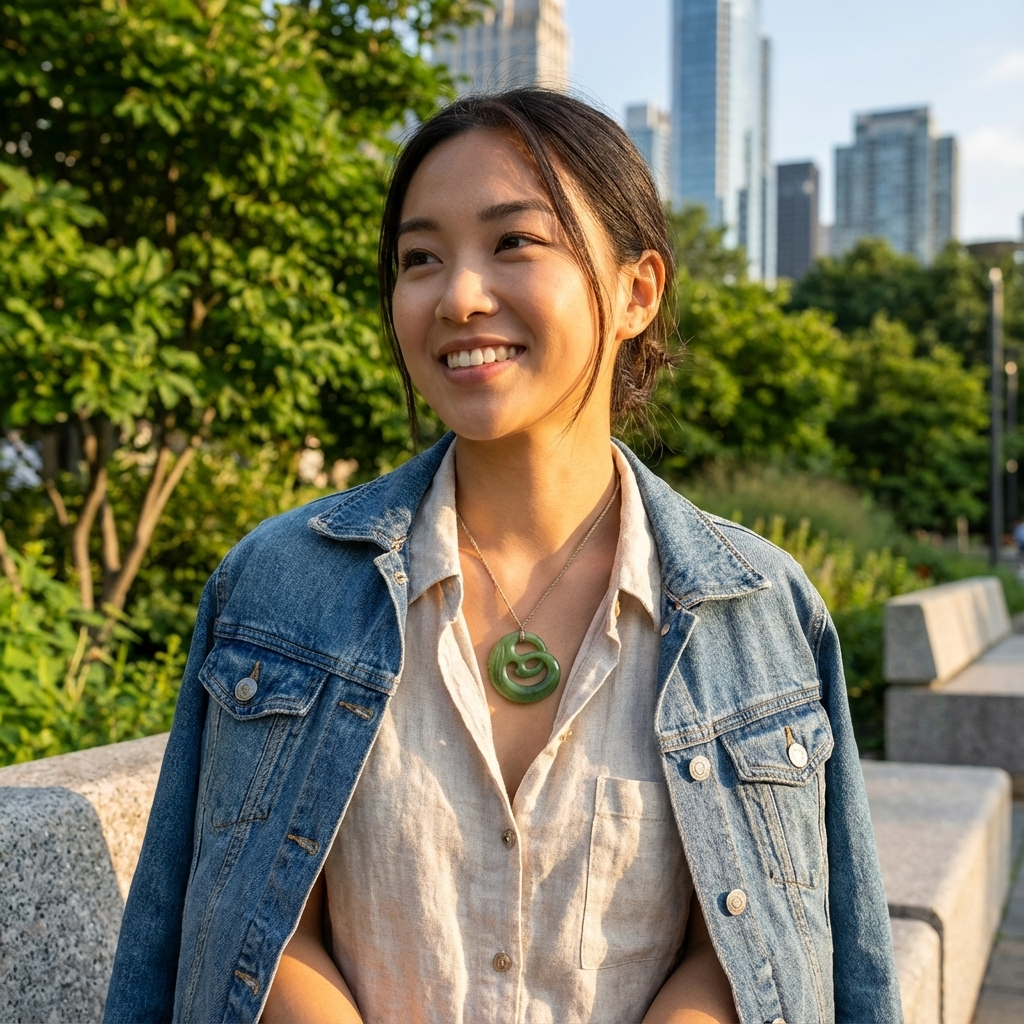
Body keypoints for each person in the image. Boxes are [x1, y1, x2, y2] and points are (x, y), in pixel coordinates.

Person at [104, 90, 902, 1024]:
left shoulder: (762, 610)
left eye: (514, 242)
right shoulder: (278, 587)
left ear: (636, 292)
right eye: (420, 258)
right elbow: (248, 925)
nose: (458, 296)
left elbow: (767, 942)